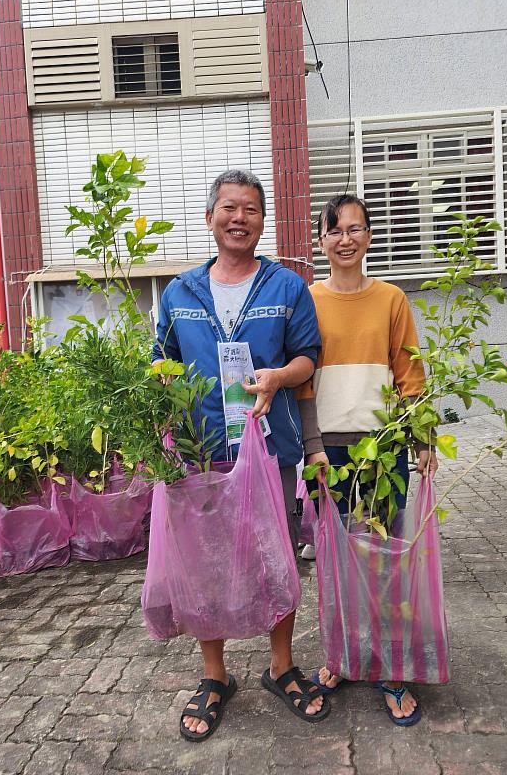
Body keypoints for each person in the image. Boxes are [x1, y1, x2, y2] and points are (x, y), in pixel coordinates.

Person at [152, 169, 330, 741]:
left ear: (261, 221)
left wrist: (278, 376)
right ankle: (214, 676)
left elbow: (308, 357)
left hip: (268, 447)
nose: (238, 219)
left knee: (275, 553)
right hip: (200, 455)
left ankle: (281, 667)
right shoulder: (180, 292)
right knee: (206, 565)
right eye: (228, 208)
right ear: (210, 218)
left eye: (250, 210)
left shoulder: (287, 287)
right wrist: (155, 418)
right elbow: (162, 362)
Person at [297, 193, 438, 726]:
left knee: (384, 555)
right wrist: (312, 447)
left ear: (370, 236)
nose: (346, 239)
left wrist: (422, 440)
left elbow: (410, 375)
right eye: (335, 230)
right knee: (333, 557)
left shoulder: (391, 300)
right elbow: (304, 382)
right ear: (322, 239)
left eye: (356, 229)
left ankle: (389, 666)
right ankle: (337, 656)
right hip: (327, 450)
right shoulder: (306, 299)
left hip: (383, 450)